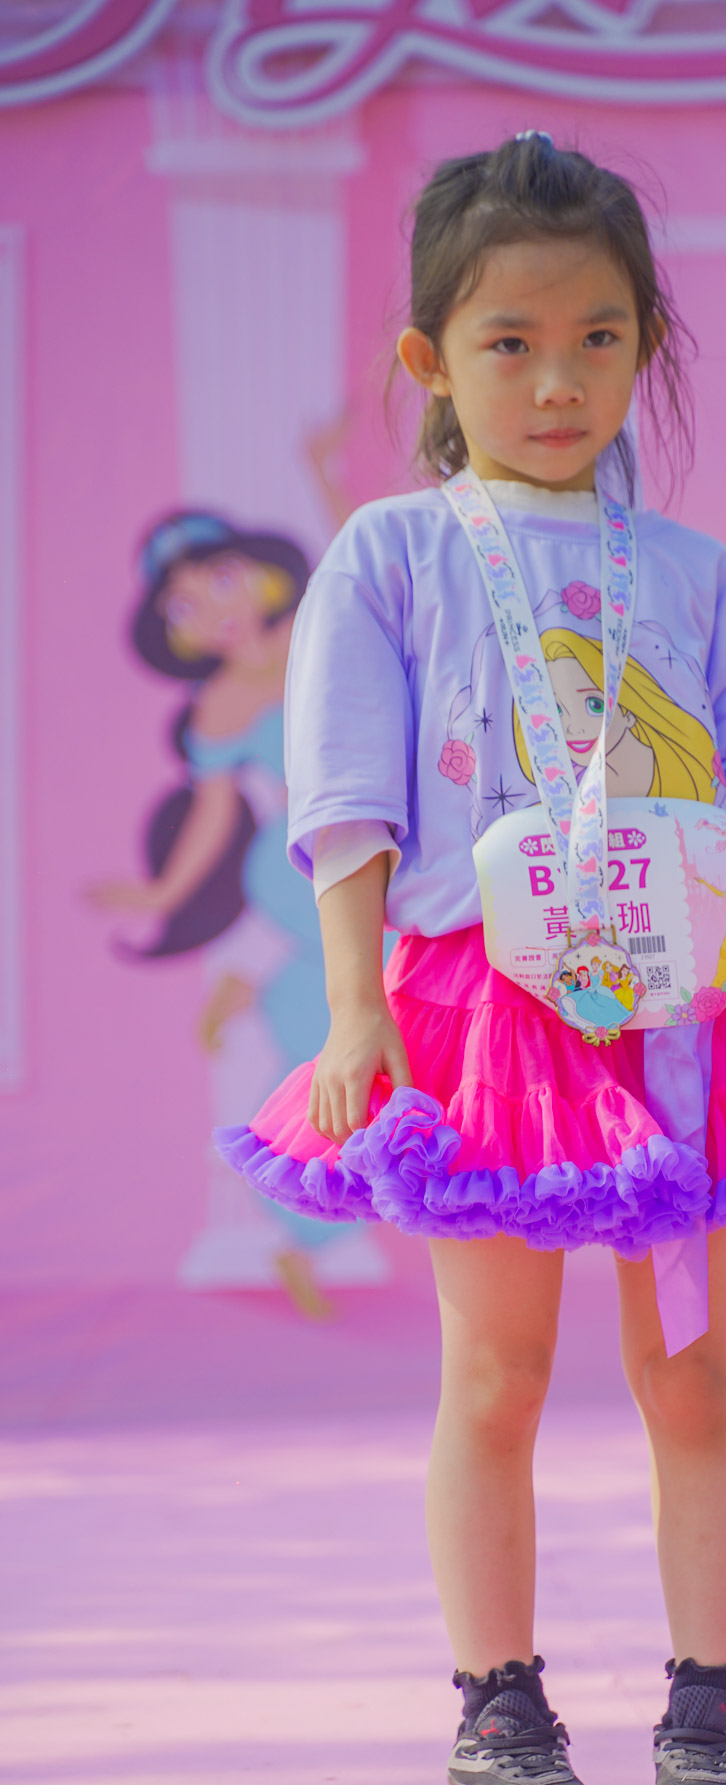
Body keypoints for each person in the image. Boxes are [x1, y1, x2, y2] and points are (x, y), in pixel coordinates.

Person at [217, 137, 726, 1785]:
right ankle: (498, 1720)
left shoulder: (691, 572)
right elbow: (346, 802)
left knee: (694, 1376)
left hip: (667, 1015)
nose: (556, 380)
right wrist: (354, 1009)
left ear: (646, 342)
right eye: (509, 341)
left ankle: (711, 1717)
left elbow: (724, 793)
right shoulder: (390, 556)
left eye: (597, 337)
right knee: (495, 1375)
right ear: (429, 358)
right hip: (479, 1011)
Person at [88, 512, 351, 1320]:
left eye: (222, 581)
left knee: (386, 1029)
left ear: (265, 575)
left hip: (374, 851)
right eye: (185, 607)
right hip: (300, 869)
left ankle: (252, 985)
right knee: (329, 1043)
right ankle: (297, 1220)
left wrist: (323, 474)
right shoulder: (224, 703)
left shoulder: (321, 631)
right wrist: (163, 894)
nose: (213, 610)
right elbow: (213, 812)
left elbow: (355, 554)